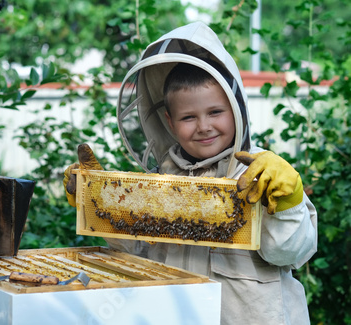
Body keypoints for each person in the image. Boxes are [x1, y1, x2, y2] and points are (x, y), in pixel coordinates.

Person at [64, 22, 317, 325]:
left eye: (215, 112)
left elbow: (289, 252)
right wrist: (100, 202)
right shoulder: (160, 181)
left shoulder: (262, 174)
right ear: (170, 121)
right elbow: (137, 251)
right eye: (188, 117)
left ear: (236, 108)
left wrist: (288, 202)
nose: (204, 126)